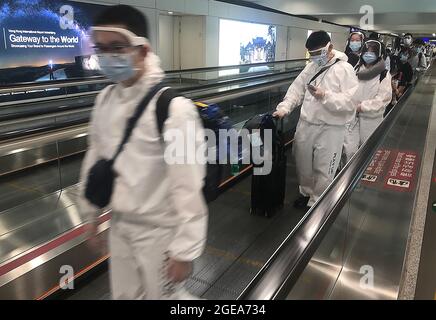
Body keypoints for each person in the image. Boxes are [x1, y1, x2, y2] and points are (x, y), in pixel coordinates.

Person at [79, 5, 208, 300]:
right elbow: (95, 156)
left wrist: (185, 250)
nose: (108, 56)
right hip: (120, 226)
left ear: (143, 50)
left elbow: (187, 185)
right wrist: (91, 214)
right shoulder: (105, 99)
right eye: (101, 48)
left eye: (117, 47)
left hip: (159, 233)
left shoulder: (174, 110)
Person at [273, 31, 358, 209]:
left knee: (324, 167)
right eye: (311, 54)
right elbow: (296, 89)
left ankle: (317, 201)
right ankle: (306, 192)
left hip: (331, 128)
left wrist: (325, 96)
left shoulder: (344, 69)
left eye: (318, 53)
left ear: (330, 48)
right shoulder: (311, 67)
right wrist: (284, 108)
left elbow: (350, 102)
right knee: (303, 163)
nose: (315, 58)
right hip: (306, 124)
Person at [342, 40, 392, 163]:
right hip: (352, 116)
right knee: (349, 149)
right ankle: (346, 176)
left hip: (371, 119)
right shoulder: (356, 69)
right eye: (366, 52)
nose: (368, 55)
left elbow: (383, 99)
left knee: (369, 150)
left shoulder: (383, 75)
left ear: (379, 55)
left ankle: (365, 177)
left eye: (372, 52)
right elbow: (348, 88)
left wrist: (362, 106)